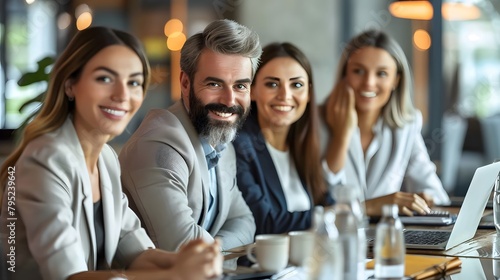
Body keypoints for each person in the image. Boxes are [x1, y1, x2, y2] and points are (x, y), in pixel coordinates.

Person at [0, 26, 222, 280]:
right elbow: (69, 277)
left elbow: (136, 251)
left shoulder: (106, 159)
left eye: (134, 82)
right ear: (70, 84)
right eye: (105, 78)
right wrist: (178, 274)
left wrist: (185, 260)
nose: (122, 95)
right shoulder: (45, 160)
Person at [118, 19, 261, 268]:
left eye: (240, 86)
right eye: (214, 84)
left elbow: (245, 220)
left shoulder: (219, 140)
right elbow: (183, 248)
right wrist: (224, 252)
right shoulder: (158, 144)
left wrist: (214, 251)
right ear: (185, 83)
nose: (229, 100)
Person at [322, 29, 450, 217]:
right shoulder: (316, 121)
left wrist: (424, 198)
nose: (369, 83)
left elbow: (435, 193)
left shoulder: (407, 125)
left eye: (381, 73)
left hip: (385, 237)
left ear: (396, 80)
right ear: (344, 75)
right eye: (358, 71)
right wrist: (342, 134)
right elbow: (321, 199)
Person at [233, 42, 331, 235]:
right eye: (272, 84)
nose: (285, 95)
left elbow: (327, 203)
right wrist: (360, 209)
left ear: (309, 93)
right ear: (252, 90)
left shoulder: (303, 144)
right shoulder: (240, 146)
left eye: (296, 85)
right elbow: (265, 221)